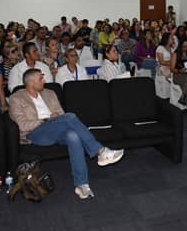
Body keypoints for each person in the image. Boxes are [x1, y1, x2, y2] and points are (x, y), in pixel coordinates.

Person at [9, 69, 124, 199]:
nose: (44, 81)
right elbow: (22, 125)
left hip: (55, 130)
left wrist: (56, 119)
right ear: (30, 82)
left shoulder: (50, 93)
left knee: (73, 136)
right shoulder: (16, 98)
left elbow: (61, 115)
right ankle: (101, 151)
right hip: (35, 134)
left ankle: (82, 184)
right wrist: (47, 120)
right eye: (40, 79)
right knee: (70, 117)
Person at [170, 37, 187, 108]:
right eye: (184, 46)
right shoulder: (175, 54)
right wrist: (180, 70)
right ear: (180, 45)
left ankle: (184, 97)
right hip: (178, 75)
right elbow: (172, 69)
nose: (185, 48)